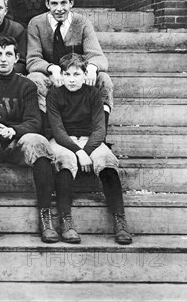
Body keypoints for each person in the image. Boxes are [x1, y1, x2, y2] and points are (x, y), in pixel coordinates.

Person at [0, 35, 59, 243]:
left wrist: (13, 131)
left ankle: (46, 216)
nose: (3, 59)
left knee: (38, 142)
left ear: (16, 57)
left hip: (16, 142)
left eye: (8, 54)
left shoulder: (26, 85)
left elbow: (34, 121)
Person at [46, 53, 132, 245]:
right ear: (62, 75)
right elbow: (58, 130)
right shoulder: (54, 94)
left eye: (76, 74)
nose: (71, 79)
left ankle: (120, 219)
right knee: (64, 161)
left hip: (89, 139)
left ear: (85, 75)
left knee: (107, 161)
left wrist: (88, 149)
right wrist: (78, 151)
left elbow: (100, 129)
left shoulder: (92, 94)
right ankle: (65, 219)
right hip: (64, 140)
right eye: (67, 74)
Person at [26, 0, 114, 132]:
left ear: (71, 3)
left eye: (64, 3)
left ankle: (100, 132)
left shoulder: (82, 22)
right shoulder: (36, 23)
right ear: (47, 4)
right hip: (52, 76)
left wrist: (91, 67)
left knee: (104, 79)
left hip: (77, 75)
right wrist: (51, 68)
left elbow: (97, 55)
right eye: (54, 3)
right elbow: (32, 59)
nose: (59, 8)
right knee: (34, 78)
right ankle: (46, 131)